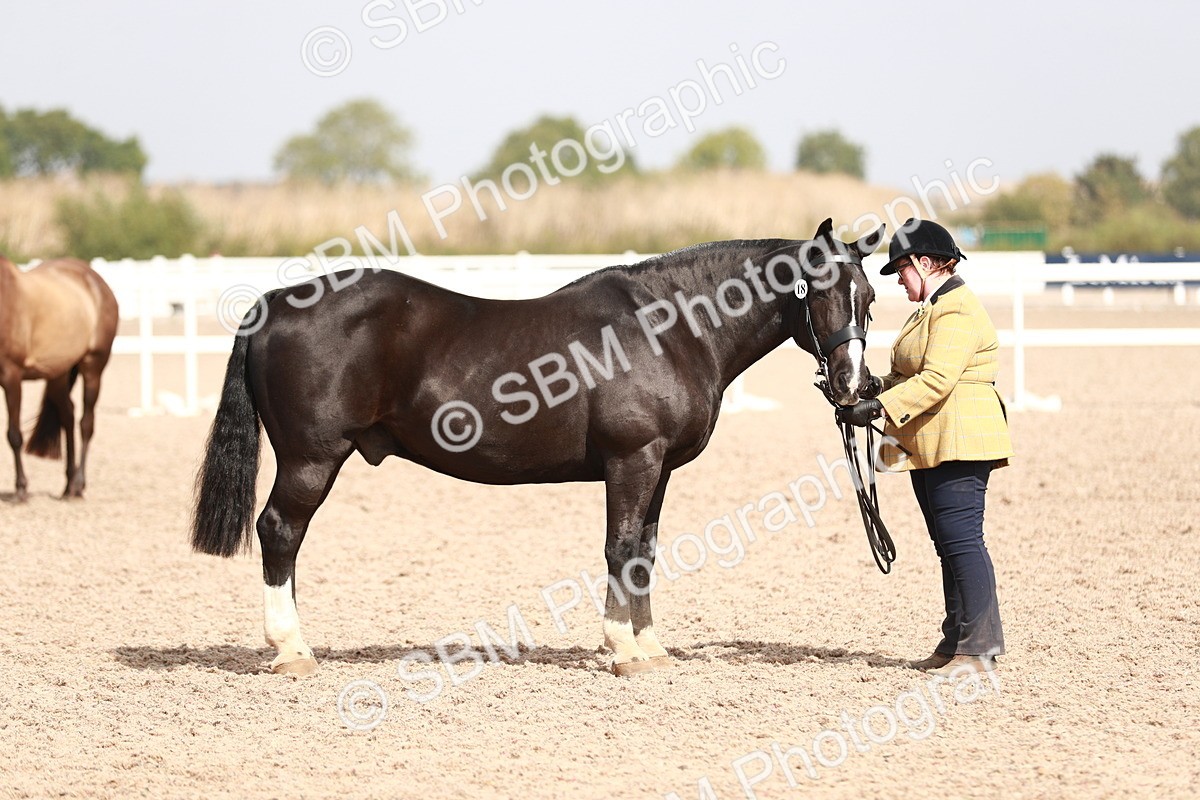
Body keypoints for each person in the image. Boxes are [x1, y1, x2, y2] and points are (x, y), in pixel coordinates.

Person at [837, 218, 1013, 676]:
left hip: (960, 439)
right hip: (931, 441)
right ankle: (958, 637)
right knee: (948, 544)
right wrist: (872, 386)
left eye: (902, 269)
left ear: (926, 263)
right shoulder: (932, 309)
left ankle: (978, 648)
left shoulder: (955, 309)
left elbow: (937, 379)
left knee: (962, 541)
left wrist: (877, 408)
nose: (899, 279)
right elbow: (913, 373)